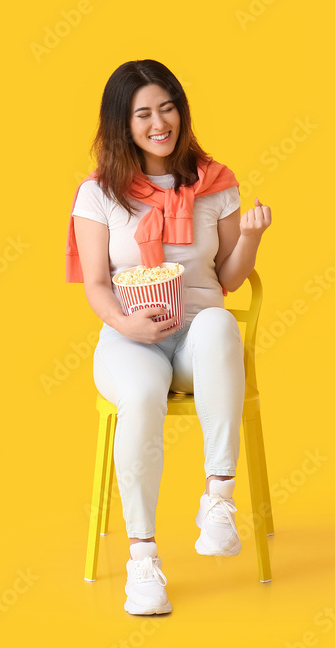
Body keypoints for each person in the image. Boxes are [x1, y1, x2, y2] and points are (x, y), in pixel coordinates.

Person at [65, 59, 272, 615]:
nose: (160, 122)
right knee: (139, 396)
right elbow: (96, 283)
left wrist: (250, 239)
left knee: (218, 322)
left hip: (198, 342)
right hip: (131, 340)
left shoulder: (216, 182)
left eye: (167, 107)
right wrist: (126, 323)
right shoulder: (98, 194)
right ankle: (143, 560)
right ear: (121, 124)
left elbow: (227, 281)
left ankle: (219, 501)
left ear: (181, 110)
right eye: (143, 114)